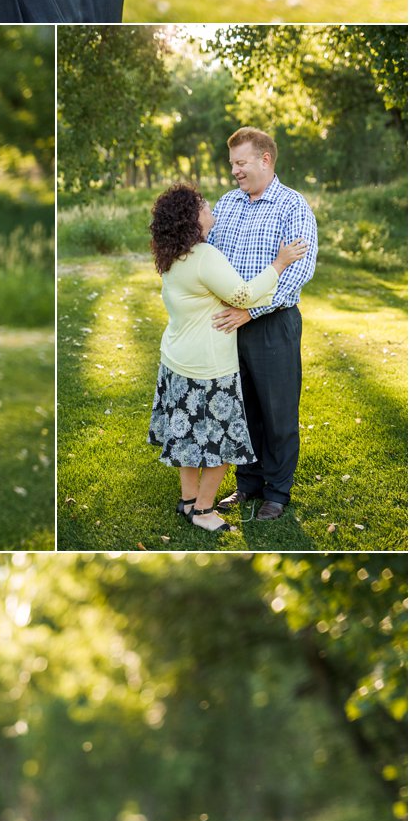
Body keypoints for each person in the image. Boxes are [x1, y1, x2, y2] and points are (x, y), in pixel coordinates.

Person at [146, 182, 309, 535]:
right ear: (192, 218)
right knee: (223, 443)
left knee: (187, 439)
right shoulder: (204, 256)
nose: (211, 207)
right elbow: (245, 294)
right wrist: (280, 263)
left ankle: (188, 501)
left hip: (176, 361)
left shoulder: (172, 253)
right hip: (207, 367)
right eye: (203, 204)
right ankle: (204, 510)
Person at [208, 127, 319, 520]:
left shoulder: (293, 206)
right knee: (242, 408)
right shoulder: (228, 203)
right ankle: (248, 483)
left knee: (278, 411)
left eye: (241, 162)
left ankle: (277, 491)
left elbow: (298, 271)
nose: (235, 171)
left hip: (273, 325)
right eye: (232, 164)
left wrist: (251, 311)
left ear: (265, 159)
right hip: (229, 325)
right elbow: (211, 258)